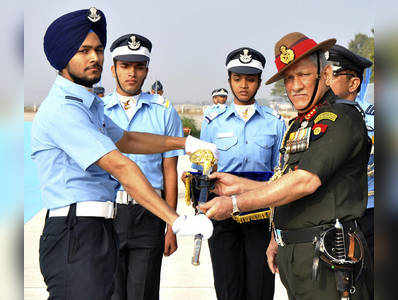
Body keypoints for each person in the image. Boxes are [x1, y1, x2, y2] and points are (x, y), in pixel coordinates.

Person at [31, 8, 216, 299]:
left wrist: (185, 144)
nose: (95, 58)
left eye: (98, 49)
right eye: (83, 50)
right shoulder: (63, 110)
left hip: (97, 230)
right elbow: (122, 167)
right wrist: (176, 220)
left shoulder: (89, 106)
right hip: (74, 233)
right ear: (63, 55)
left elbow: (128, 139)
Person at [200, 32, 372, 300]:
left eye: (303, 75)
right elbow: (285, 183)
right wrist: (239, 187)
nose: (295, 86)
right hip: (297, 258)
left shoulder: (341, 118)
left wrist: (235, 204)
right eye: (289, 78)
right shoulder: (298, 125)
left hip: (330, 261)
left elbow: (305, 181)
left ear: (325, 75)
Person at [199, 47, 286, 300]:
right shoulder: (212, 122)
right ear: (229, 81)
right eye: (237, 79)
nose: (243, 86)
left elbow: (280, 174)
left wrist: (277, 226)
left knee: (259, 288)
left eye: (250, 79)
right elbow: (203, 170)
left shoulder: (274, 122)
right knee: (227, 287)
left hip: (260, 216)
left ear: (259, 82)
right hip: (222, 215)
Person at [102, 33, 183, 300]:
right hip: (107, 213)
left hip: (149, 215)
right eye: (125, 66)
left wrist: (171, 225)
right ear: (113, 69)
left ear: (147, 70)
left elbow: (169, 171)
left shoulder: (164, 112)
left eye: (138, 67)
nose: (132, 74)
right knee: (109, 292)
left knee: (144, 292)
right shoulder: (98, 111)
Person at [326, 44, 374, 261]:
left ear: (354, 83)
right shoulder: (316, 119)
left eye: (332, 74)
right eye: (324, 74)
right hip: (327, 216)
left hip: (369, 214)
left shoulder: (371, 120)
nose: (325, 80)